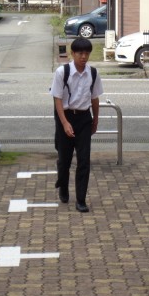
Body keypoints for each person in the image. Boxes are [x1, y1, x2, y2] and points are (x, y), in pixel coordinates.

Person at [50, 37, 103, 213]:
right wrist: (65, 123)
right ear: (72, 53)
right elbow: (57, 98)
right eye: (80, 53)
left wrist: (95, 119)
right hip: (65, 116)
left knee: (84, 160)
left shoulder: (93, 73)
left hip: (84, 118)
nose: (83, 57)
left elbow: (95, 98)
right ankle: (63, 186)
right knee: (64, 159)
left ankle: (81, 199)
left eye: (87, 53)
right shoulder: (62, 72)